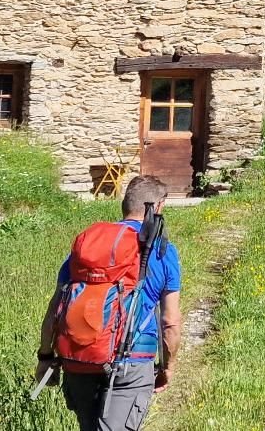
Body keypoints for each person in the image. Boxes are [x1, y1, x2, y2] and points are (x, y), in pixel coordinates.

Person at [38, 175, 183, 431]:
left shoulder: (86, 249)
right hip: (131, 361)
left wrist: (45, 357)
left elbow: (55, 309)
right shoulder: (162, 250)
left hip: (79, 357)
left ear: (124, 206)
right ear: (158, 207)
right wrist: (167, 367)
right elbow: (170, 321)